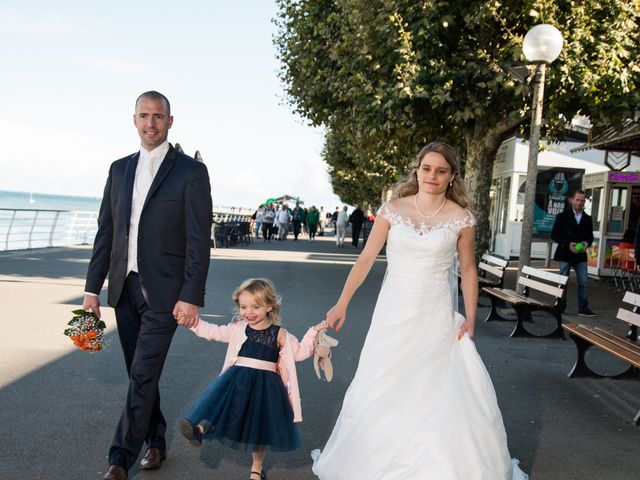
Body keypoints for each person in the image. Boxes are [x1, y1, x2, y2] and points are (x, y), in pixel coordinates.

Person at [311, 142, 528, 480]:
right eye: (427, 168)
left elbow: (468, 270)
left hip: (436, 315)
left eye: (441, 170)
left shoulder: (462, 219)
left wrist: (470, 320)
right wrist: (342, 302)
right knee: (384, 382)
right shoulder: (392, 209)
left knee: (435, 387)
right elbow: (367, 258)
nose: (432, 176)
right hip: (393, 314)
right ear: (418, 170)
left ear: (452, 176)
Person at [83, 91, 212, 480]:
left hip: (167, 294)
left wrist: (191, 295)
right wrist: (92, 289)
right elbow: (106, 232)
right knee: (140, 373)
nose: (151, 122)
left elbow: (197, 240)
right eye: (144, 115)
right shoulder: (118, 169)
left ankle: (119, 460)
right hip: (123, 289)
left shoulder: (190, 171)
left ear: (170, 121)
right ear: (134, 120)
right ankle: (156, 440)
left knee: (142, 373)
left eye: (158, 116)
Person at [177, 278, 325, 480]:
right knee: (222, 405)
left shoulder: (279, 334)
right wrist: (191, 323)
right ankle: (199, 430)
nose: (249, 312)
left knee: (258, 427)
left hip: (265, 386)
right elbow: (212, 331)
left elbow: (298, 353)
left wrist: (314, 332)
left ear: (270, 306)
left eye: (256, 306)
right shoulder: (238, 327)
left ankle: (257, 468)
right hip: (236, 378)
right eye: (244, 306)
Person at [550, 190, 596, 317]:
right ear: (572, 200)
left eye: (582, 200)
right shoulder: (562, 216)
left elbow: (590, 237)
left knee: (583, 281)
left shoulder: (587, 218)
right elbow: (554, 235)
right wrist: (567, 243)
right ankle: (560, 304)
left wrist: (587, 243)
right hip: (565, 253)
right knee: (563, 280)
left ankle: (583, 307)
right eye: (577, 200)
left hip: (580, 255)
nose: (580, 203)